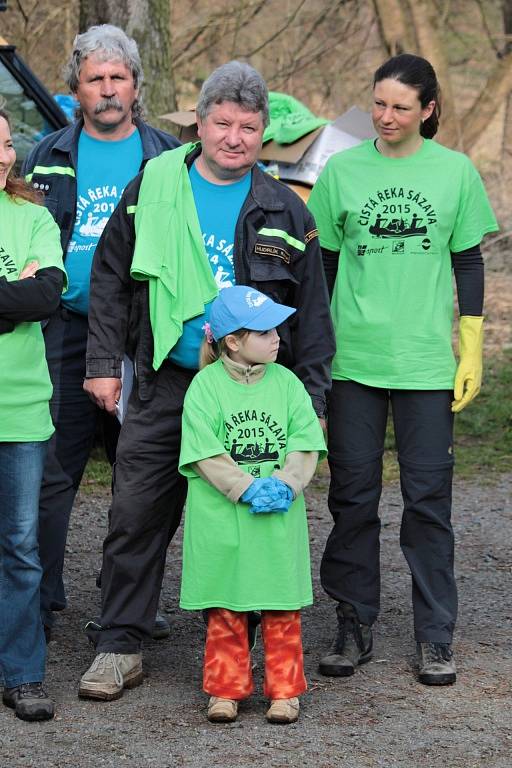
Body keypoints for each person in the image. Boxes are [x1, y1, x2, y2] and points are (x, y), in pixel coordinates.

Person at [78, 60, 334, 701]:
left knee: (253, 516)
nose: (234, 137)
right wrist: (105, 365)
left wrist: (314, 400)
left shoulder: (283, 208)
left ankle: (245, 647)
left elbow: (314, 314)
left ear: (262, 133)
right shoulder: (154, 185)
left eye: (249, 127)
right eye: (222, 123)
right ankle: (120, 645)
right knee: (136, 513)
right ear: (200, 120)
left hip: (254, 390)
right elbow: (110, 277)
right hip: (170, 379)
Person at [307, 53, 498, 686]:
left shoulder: (455, 173)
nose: (386, 117)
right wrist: (320, 349)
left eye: (400, 107)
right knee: (352, 498)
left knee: (428, 503)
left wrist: (469, 345)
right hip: (355, 364)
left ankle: (434, 634)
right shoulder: (341, 170)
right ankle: (352, 621)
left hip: (423, 363)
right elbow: (326, 268)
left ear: (429, 109)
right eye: (379, 104)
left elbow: (468, 263)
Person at [22, 24, 180, 640]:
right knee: (50, 472)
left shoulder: (167, 157)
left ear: (136, 86)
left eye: (118, 78)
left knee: (142, 475)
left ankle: (130, 604)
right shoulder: (46, 156)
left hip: (143, 335)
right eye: (96, 79)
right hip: (63, 331)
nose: (108, 90)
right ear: (76, 89)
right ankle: (38, 600)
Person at [178, 286, 326, 724]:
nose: (277, 337)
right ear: (233, 341)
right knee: (227, 604)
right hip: (222, 517)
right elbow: (203, 450)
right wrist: (245, 487)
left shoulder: (288, 383)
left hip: (278, 517)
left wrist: (287, 483)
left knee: (281, 603)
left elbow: (306, 441)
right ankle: (225, 690)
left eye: (276, 328)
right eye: (264, 331)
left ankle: (284, 691)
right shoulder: (204, 387)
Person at [0, 108, 65, 721]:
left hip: (20, 408)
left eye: (7, 143)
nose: (2, 156)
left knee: (19, 546)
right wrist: (10, 296)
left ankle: (22, 675)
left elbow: (46, 295)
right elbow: (20, 296)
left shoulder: (35, 216)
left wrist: (26, 295)